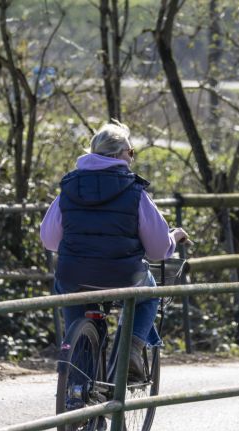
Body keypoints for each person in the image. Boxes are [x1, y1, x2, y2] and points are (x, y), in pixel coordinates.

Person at [40, 120, 188, 389]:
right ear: (120, 154)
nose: (132, 158)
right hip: (123, 276)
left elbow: (49, 240)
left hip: (74, 275)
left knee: (75, 306)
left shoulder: (69, 188)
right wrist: (174, 238)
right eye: (131, 152)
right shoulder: (135, 192)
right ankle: (129, 353)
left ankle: (75, 391)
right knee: (149, 294)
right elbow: (157, 249)